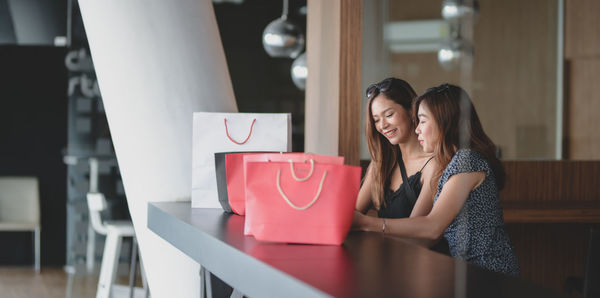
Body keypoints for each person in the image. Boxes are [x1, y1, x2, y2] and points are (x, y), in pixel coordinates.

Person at [353, 83, 520, 276]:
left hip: (488, 274)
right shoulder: (457, 161)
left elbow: (432, 227)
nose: (417, 130)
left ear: (444, 121)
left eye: (422, 121)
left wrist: (368, 224)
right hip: (466, 273)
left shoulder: (466, 160)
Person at [355, 78, 441, 235]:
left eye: (389, 115)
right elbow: (355, 213)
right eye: (376, 120)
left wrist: (366, 223)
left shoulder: (434, 164)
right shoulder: (381, 162)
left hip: (419, 255)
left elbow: (416, 231)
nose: (382, 125)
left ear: (411, 110)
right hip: (386, 253)